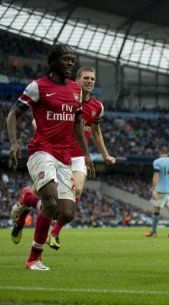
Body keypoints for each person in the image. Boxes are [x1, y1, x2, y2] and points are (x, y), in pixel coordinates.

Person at [6, 44, 95, 270]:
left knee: (66, 213)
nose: (69, 63)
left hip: (65, 156)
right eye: (65, 59)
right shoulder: (38, 87)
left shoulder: (76, 89)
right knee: (50, 201)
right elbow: (12, 115)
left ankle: (27, 199)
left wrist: (86, 156)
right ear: (53, 61)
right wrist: (14, 142)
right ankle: (34, 258)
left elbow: (77, 124)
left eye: (72, 60)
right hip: (41, 151)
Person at [10, 66, 116, 250]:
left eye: (92, 79)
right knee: (44, 198)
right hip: (53, 152)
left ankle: (55, 232)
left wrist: (105, 154)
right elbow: (37, 119)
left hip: (76, 156)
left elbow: (97, 132)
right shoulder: (64, 95)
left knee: (77, 191)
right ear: (77, 79)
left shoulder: (97, 107)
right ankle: (25, 208)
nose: (89, 82)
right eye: (86, 78)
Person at [145, 146, 169, 238]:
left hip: (161, 189)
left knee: (157, 209)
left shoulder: (157, 161)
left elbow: (156, 175)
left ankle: (154, 232)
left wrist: (154, 189)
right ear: (168, 153)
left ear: (160, 153)